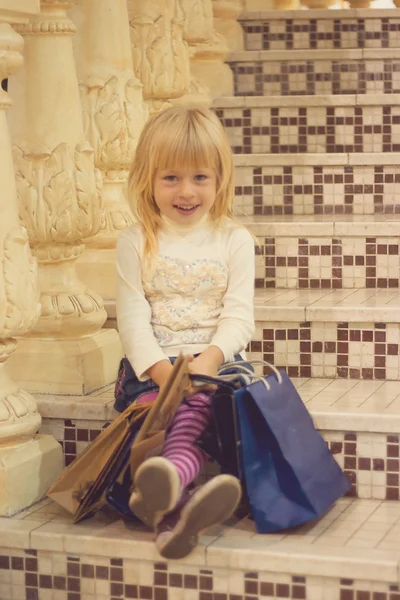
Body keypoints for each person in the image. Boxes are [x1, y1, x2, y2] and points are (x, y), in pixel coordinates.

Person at [115, 106, 255, 559]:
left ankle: (164, 493)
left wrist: (208, 361)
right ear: (147, 179)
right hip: (152, 369)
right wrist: (162, 372)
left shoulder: (234, 239)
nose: (187, 191)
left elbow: (238, 317)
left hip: (216, 364)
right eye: (170, 178)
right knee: (159, 414)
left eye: (200, 177)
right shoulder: (136, 240)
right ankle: (176, 500)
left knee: (196, 406)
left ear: (220, 178)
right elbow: (132, 317)